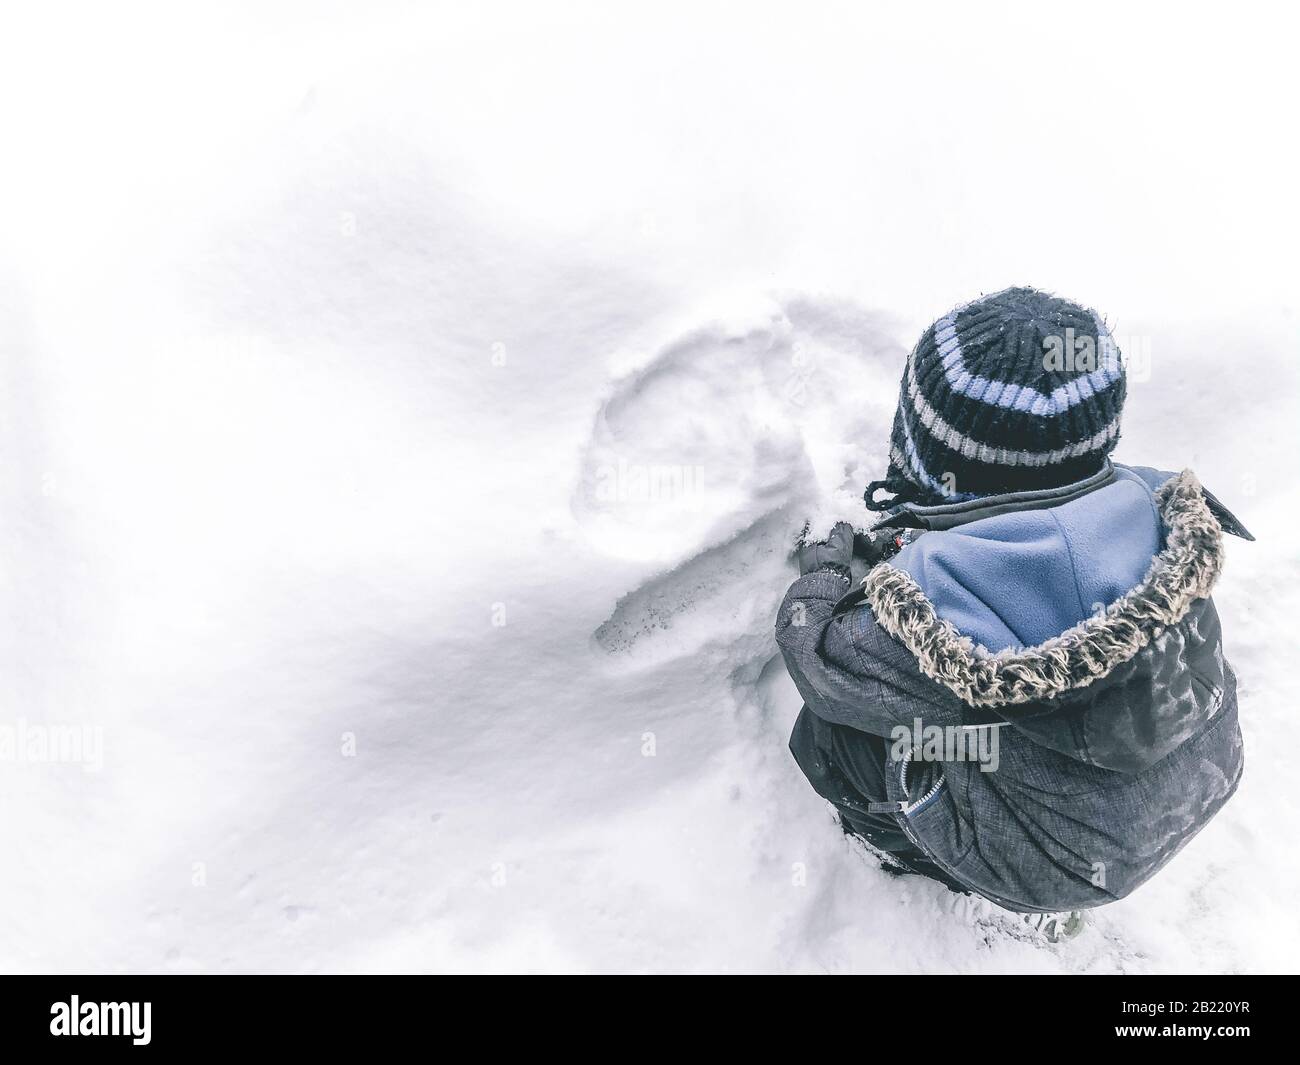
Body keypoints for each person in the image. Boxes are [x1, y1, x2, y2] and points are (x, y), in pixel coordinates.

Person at [776, 287, 1248, 929]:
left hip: (1051, 864)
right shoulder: (1159, 508)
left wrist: (827, 576)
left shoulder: (938, 622)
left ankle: (917, 855)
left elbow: (820, 661)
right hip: (1208, 778)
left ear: (926, 453)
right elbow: (1039, 554)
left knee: (829, 739)